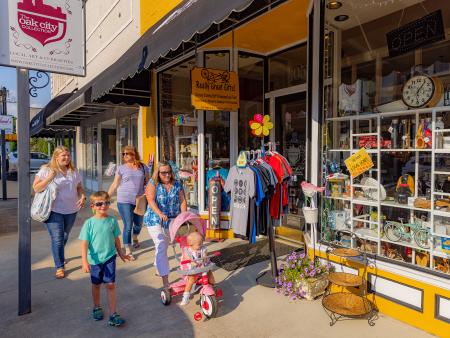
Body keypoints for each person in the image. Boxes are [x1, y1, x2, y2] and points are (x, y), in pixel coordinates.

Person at [33, 146, 86, 279]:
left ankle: (59, 255)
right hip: (52, 210)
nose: (67, 158)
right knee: (57, 238)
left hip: (71, 210)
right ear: (56, 157)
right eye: (63, 156)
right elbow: (36, 188)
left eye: (68, 155)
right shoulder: (46, 170)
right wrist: (49, 178)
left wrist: (82, 196)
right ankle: (59, 266)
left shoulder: (73, 171)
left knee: (65, 236)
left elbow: (79, 187)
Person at [79, 191, 130, 327]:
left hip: (109, 257)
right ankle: (97, 307)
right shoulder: (89, 223)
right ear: (93, 206)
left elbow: (116, 239)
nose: (103, 206)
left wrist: (121, 253)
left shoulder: (112, 221)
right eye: (99, 203)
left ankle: (113, 314)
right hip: (94, 261)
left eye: (106, 203)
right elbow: (84, 243)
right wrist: (84, 262)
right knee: (96, 284)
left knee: (111, 284)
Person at [144, 161, 187, 289]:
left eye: (169, 172)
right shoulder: (153, 184)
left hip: (173, 219)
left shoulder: (177, 184)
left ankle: (159, 264)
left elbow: (182, 201)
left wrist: (184, 216)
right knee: (162, 244)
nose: (167, 175)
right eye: (164, 173)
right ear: (158, 173)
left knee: (172, 243)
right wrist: (160, 213)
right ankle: (165, 281)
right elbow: (150, 200)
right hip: (155, 219)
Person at [108, 146, 148, 260]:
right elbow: (115, 184)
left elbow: (148, 183)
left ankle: (135, 236)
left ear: (134, 154)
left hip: (139, 199)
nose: (125, 155)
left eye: (127, 153)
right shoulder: (121, 168)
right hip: (124, 200)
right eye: (123, 154)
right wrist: (106, 197)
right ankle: (128, 250)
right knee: (128, 224)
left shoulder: (143, 167)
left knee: (139, 224)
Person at [180, 231, 215, 306]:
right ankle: (185, 297)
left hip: (202, 265)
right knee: (191, 280)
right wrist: (192, 262)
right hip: (192, 268)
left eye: (202, 243)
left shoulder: (203, 248)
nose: (201, 245)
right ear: (191, 245)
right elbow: (187, 258)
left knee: (210, 274)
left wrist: (204, 259)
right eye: (199, 244)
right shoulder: (187, 250)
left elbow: (205, 256)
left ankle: (211, 286)